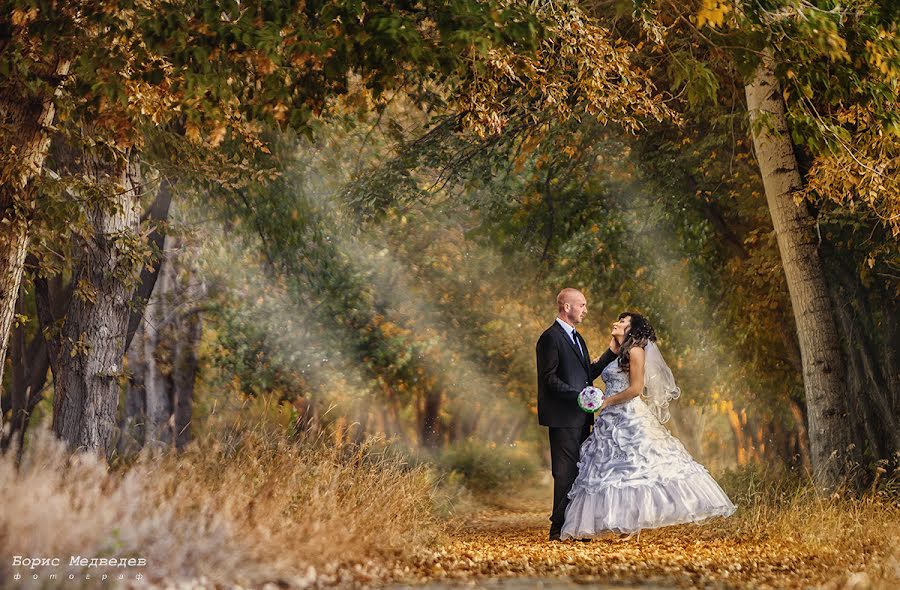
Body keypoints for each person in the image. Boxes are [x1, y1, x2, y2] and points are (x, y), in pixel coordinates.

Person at [561, 312, 736, 539]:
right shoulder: (617, 353)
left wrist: (606, 401)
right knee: (613, 469)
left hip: (628, 415)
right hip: (609, 420)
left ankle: (635, 522)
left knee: (638, 466)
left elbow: (635, 388)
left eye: (623, 321)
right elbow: (592, 371)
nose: (616, 322)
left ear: (632, 330)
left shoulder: (635, 351)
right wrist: (612, 348)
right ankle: (623, 522)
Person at [535, 288, 619, 542]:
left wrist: (611, 352)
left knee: (580, 472)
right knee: (564, 472)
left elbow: (587, 373)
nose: (585, 309)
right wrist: (579, 396)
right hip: (562, 417)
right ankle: (558, 529)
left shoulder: (578, 339)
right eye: (581, 305)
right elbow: (548, 379)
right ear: (566, 307)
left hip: (582, 417)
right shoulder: (549, 338)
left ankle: (575, 527)